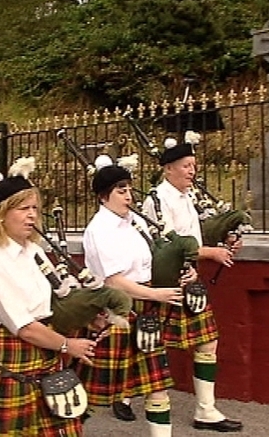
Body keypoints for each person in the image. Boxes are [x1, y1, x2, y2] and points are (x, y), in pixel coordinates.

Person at [0, 159, 98, 436]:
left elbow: (55, 300)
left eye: (35, 208)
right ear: (0, 214)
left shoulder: (34, 250)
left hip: (47, 354)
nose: (32, 215)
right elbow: (23, 326)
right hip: (16, 360)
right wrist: (68, 345)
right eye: (23, 209)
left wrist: (86, 316)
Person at [78, 156, 192, 437]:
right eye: (121, 190)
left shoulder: (134, 222)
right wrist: (156, 294)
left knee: (157, 386)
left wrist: (182, 268)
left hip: (144, 309)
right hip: (114, 311)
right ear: (103, 196)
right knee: (92, 394)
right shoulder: (99, 229)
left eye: (129, 189)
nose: (129, 196)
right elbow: (115, 281)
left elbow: (155, 259)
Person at [141, 133, 243, 433]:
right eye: (186, 166)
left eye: (194, 166)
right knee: (151, 348)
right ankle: (125, 395)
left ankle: (206, 410)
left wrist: (225, 240)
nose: (192, 171)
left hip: (189, 279)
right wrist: (212, 253)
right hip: (165, 282)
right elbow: (170, 244)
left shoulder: (188, 197)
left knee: (207, 340)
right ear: (168, 168)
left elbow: (197, 235)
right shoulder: (157, 201)